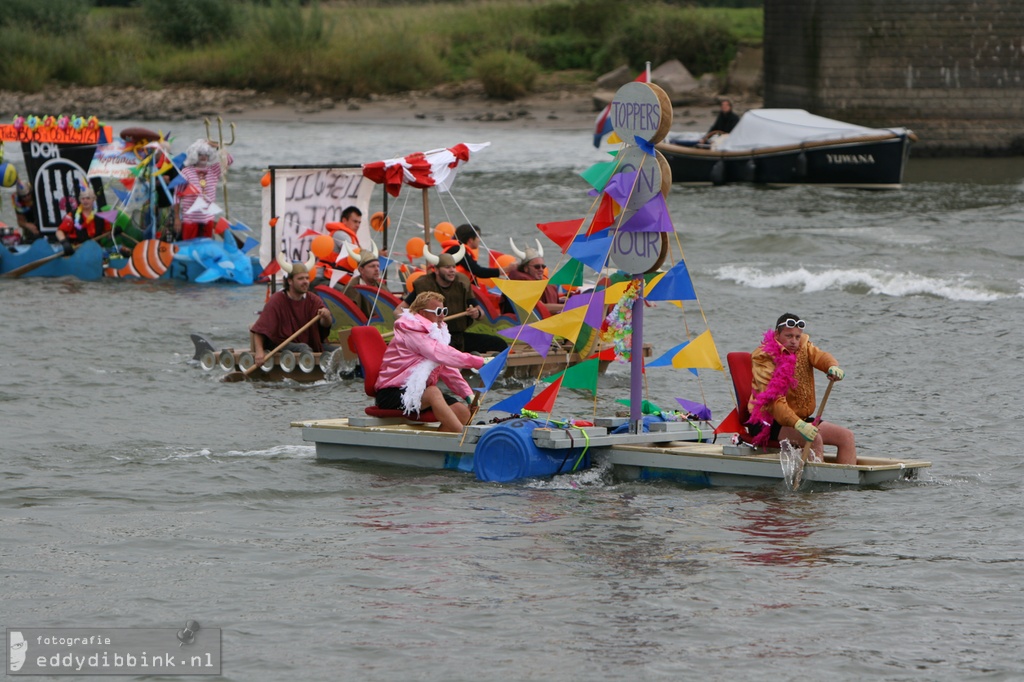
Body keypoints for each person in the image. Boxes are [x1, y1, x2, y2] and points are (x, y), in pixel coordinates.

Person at [747, 312, 855, 464]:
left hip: (798, 419)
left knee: (846, 436)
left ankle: (848, 484)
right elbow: (773, 401)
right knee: (815, 439)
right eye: (789, 336)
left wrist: (831, 366)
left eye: (797, 337)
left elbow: (820, 356)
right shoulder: (764, 357)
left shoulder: (803, 346)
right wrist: (799, 425)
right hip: (768, 421)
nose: (794, 341)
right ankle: (816, 485)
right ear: (777, 335)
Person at [375, 291, 486, 433]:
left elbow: (448, 369)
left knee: (463, 413)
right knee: (433, 392)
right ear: (423, 313)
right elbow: (439, 353)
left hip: (419, 391)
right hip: (392, 393)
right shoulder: (411, 330)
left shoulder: (436, 335)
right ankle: (465, 441)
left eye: (444, 311)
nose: (442, 315)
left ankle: (436, 449)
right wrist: (479, 362)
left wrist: (468, 395)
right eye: (438, 311)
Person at [405, 245, 507, 353]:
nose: (452, 270)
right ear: (436, 270)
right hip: (434, 339)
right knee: (447, 350)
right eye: (447, 267)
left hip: (458, 337)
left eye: (453, 267)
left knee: (499, 344)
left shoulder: (461, 283)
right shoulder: (424, 285)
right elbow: (398, 311)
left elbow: (481, 313)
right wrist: (415, 324)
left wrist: (476, 313)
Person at [250, 253, 334, 366]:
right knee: (304, 348)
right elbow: (260, 330)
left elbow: (325, 325)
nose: (305, 282)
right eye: (300, 278)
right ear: (290, 281)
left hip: (309, 344)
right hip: (281, 344)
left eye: (307, 278)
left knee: (337, 351)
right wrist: (259, 352)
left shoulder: (313, 299)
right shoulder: (277, 300)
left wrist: (326, 316)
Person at [174, 139, 232, 241]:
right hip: (190, 218)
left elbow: (229, 160)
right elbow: (177, 196)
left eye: (206, 154)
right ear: (195, 155)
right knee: (189, 245)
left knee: (206, 245)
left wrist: (217, 146)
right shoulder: (186, 172)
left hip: (208, 218)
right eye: (200, 154)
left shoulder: (213, 170)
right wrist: (177, 218)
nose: (203, 156)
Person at [508, 238, 561, 313]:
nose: (541, 269)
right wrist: (566, 306)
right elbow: (540, 307)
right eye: (537, 267)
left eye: (543, 266)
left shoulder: (540, 281)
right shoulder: (522, 281)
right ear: (526, 268)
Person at [342, 242, 384, 319]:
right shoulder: (352, 288)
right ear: (361, 270)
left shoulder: (381, 286)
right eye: (372, 266)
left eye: (378, 266)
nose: (377, 269)